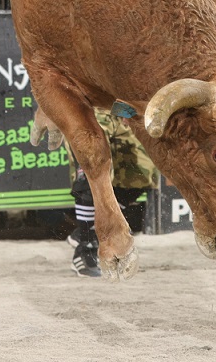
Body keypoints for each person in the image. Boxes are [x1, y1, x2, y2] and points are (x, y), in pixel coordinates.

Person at [66, 110, 154, 277]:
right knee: (90, 172)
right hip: (83, 109)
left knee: (143, 172)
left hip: (117, 108)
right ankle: (85, 250)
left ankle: (88, 230)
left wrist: (129, 109)